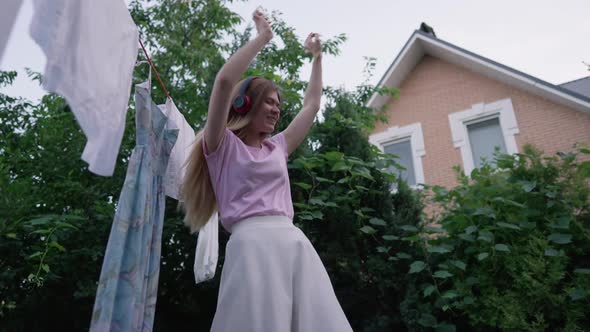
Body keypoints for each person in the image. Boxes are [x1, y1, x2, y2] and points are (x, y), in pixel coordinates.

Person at [180, 9, 353, 332]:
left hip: (292, 243)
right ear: (244, 104)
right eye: (270, 101)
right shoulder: (221, 145)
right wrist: (263, 37)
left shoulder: (278, 147)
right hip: (251, 248)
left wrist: (317, 57)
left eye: (278, 103)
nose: (277, 109)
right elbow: (224, 82)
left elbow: (312, 105)